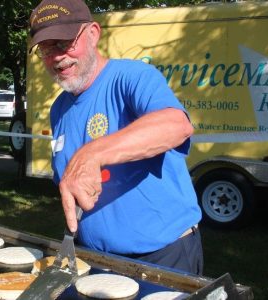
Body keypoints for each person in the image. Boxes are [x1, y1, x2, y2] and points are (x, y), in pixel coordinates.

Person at [29, 0, 203, 275]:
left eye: (63, 43)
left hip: (162, 257)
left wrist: (92, 153)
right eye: (46, 49)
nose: (57, 57)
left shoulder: (132, 77)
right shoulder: (59, 108)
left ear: (93, 33)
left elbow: (176, 125)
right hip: (94, 259)